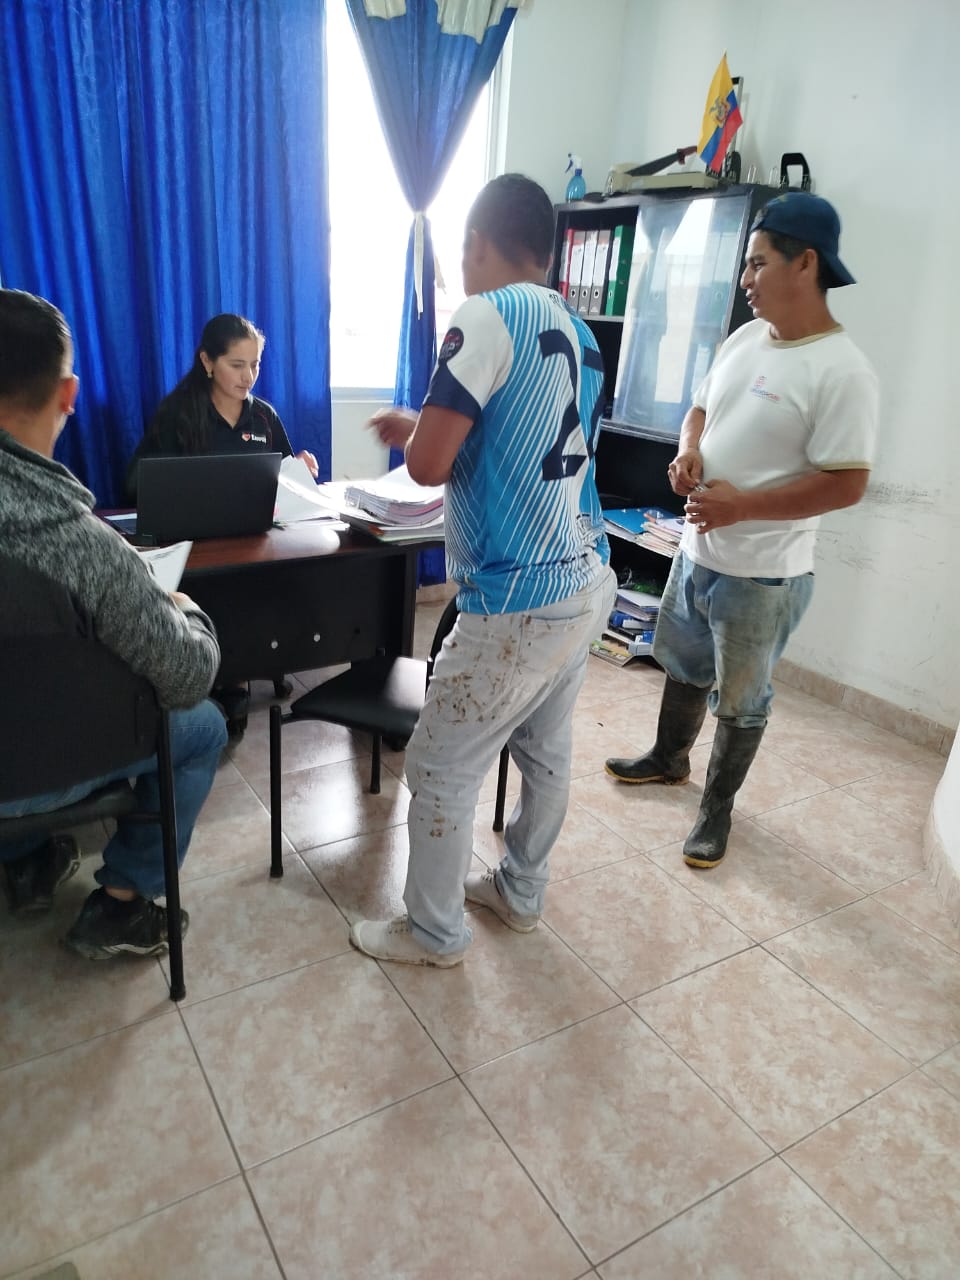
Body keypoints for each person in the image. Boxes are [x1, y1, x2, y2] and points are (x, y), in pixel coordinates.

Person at [348, 173, 617, 968]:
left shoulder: (486, 313)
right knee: (545, 751)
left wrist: (414, 435)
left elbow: (429, 467)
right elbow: (529, 443)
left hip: (516, 597)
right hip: (584, 575)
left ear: (474, 244)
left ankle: (432, 932)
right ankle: (522, 892)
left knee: (439, 763)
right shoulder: (581, 332)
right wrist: (424, 423)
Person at [605, 192, 879, 869]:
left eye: (757, 264)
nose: (744, 279)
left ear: (806, 263)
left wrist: (743, 507)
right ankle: (668, 758)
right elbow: (700, 408)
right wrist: (687, 451)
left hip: (763, 573)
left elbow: (847, 483)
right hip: (698, 548)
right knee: (684, 663)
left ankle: (715, 812)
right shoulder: (746, 337)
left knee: (742, 699)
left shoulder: (844, 372)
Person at [0, 288, 227, 958]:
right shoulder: (83, 546)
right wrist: (188, 612)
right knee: (203, 727)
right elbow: (186, 677)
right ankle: (122, 902)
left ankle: (27, 858)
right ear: (68, 395)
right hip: (34, 765)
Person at [125, 312, 318, 735]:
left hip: (253, 541)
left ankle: (239, 675)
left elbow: (287, 478)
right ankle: (220, 679)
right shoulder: (179, 413)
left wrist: (301, 467)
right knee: (219, 589)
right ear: (208, 362)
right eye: (237, 364)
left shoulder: (263, 417)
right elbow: (137, 482)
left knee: (264, 584)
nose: (248, 376)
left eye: (255, 365)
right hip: (195, 544)